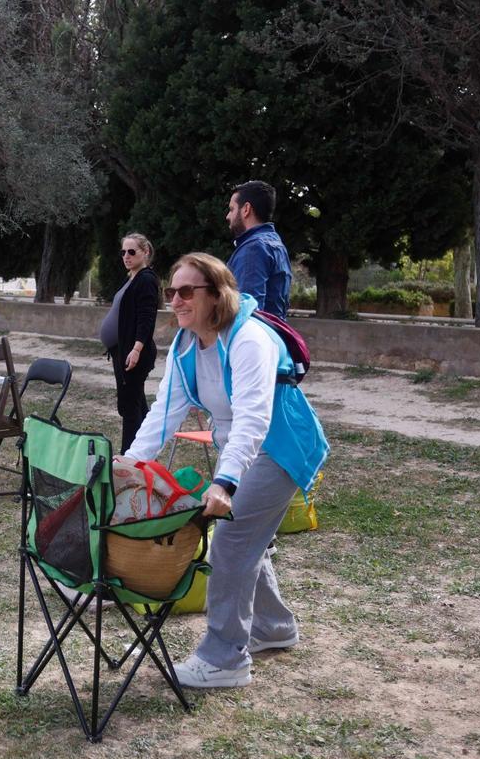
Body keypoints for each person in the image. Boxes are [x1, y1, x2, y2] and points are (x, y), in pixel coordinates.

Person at [121, 252, 328, 688]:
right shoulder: (185, 345)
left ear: (217, 296)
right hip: (243, 446)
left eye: (186, 291)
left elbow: (254, 418)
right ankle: (273, 628)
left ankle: (224, 659)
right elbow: (165, 412)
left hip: (282, 447)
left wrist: (225, 481)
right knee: (245, 538)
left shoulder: (248, 338)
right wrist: (130, 464)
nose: (175, 300)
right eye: (170, 292)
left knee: (232, 539)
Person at [98, 233, 160, 453]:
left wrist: (136, 349)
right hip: (122, 351)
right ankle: (143, 451)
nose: (126, 256)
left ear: (145, 252)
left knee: (129, 406)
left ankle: (128, 456)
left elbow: (146, 319)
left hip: (134, 354)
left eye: (132, 251)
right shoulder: (132, 277)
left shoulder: (146, 279)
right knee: (136, 404)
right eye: (123, 251)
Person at [225, 180, 293, 319]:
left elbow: (247, 312)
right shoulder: (276, 244)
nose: (228, 216)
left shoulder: (253, 249)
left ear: (246, 209)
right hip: (272, 335)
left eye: (232, 209)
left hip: (254, 337)